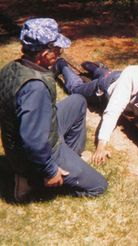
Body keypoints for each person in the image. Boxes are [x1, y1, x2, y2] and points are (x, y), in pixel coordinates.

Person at [0, 18, 107, 202]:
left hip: (26, 142)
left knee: (78, 101)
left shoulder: (13, 67)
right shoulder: (35, 87)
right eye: (57, 49)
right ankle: (32, 180)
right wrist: (50, 171)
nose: (59, 54)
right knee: (99, 186)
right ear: (42, 52)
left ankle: (71, 159)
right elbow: (33, 140)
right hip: (33, 155)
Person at [56, 49, 138, 165]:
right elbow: (113, 111)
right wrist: (101, 146)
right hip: (106, 86)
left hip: (118, 77)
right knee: (76, 89)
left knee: (109, 74)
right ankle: (62, 65)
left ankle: (96, 69)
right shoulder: (133, 73)